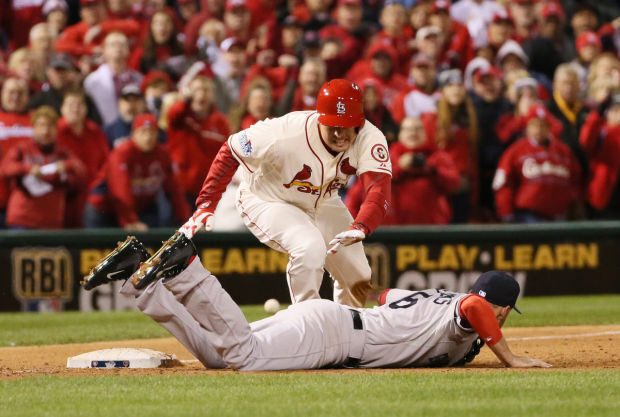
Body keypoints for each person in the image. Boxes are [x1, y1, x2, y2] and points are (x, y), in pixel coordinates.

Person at [81, 231, 552, 370]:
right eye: (504, 310)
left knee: (216, 357)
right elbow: (473, 310)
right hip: (334, 336)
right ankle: (187, 271)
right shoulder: (467, 311)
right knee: (242, 356)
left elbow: (383, 294)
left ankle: (144, 284)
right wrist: (509, 358)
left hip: (334, 319)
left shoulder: (439, 297)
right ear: (502, 306)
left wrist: (359, 286)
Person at [179, 79, 391, 308]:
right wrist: (206, 203)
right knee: (309, 249)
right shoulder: (284, 132)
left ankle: (349, 331)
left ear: (358, 123)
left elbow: (379, 190)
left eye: (346, 125)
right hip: (268, 198)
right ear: (320, 118)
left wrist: (362, 225)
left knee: (357, 273)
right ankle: (308, 322)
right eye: (332, 125)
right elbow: (231, 150)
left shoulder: (370, 138)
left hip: (322, 200)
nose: (340, 134)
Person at [84, 113, 190, 230]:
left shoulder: (163, 154)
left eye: (152, 132)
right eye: (143, 132)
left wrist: (187, 220)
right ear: (133, 134)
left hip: (140, 209)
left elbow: (175, 190)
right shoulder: (122, 153)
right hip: (105, 210)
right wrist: (130, 221)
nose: (148, 137)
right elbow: (120, 189)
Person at [493, 104, 582, 223]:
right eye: (534, 125)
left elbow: (576, 179)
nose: (539, 129)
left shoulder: (563, 151)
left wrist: (574, 202)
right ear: (527, 127)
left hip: (559, 214)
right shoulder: (515, 150)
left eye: (543, 125)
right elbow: (502, 182)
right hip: (527, 214)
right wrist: (505, 212)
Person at [0, 106, 86, 229]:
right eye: (41, 126)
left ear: (56, 129)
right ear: (33, 128)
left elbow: (80, 171)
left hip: (51, 221)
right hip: (22, 219)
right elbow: (5, 168)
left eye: (50, 126)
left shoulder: (62, 153)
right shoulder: (22, 149)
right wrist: (28, 169)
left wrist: (64, 168)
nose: (45, 131)